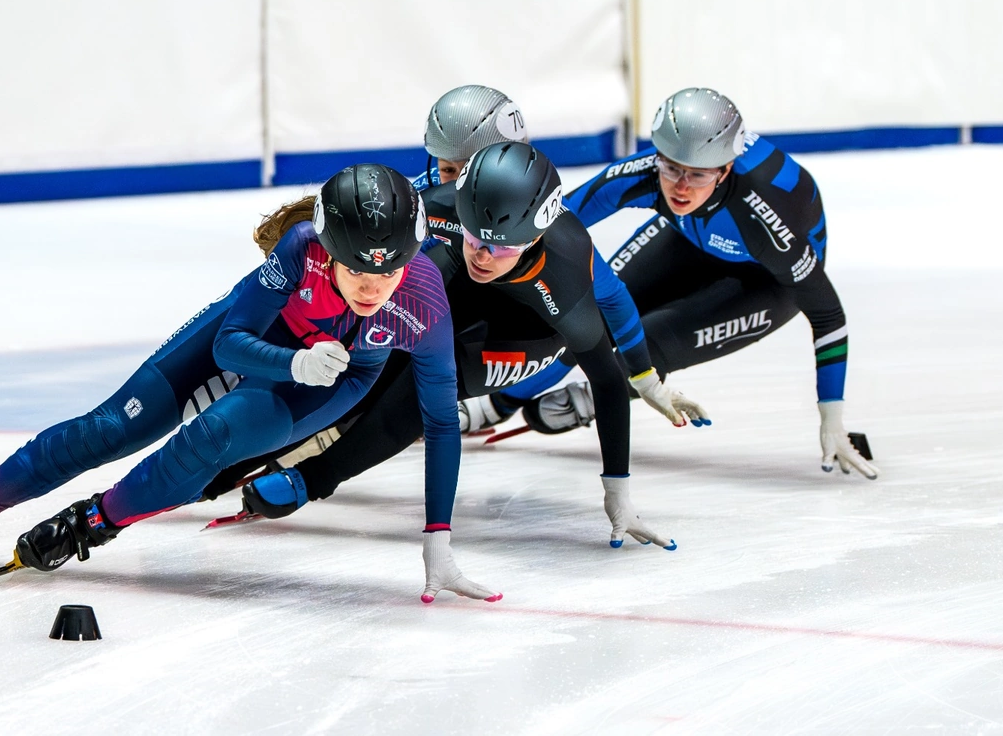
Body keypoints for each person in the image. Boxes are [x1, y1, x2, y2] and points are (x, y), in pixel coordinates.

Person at [0, 164, 500, 603]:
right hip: (269, 347)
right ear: (327, 246)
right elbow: (228, 343)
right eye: (356, 267)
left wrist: (437, 536)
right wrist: (293, 361)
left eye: (388, 273)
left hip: (329, 382)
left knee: (213, 436)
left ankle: (95, 521)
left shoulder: (422, 303)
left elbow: (441, 420)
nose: (371, 286)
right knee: (111, 428)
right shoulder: (299, 249)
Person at [201, 143, 710, 550]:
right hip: (457, 289)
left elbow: (604, 373)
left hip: (528, 331)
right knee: (372, 343)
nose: (484, 255)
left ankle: (312, 480)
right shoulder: (442, 209)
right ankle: (239, 456)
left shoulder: (568, 278)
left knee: (427, 393)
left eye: (501, 245)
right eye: (474, 236)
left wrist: (619, 487)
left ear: (534, 238)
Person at [470, 87, 879, 479]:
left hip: (767, 281)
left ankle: (589, 398)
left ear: (726, 169)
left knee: (644, 345)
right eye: (671, 168)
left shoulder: (765, 218)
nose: (681, 186)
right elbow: (548, 221)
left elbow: (828, 315)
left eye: (698, 175)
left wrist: (832, 417)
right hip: (689, 238)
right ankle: (499, 403)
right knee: (589, 311)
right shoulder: (650, 173)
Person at [413, 84, 528, 191]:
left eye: (473, 169)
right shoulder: (421, 194)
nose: (459, 182)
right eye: (448, 170)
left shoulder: (531, 195)